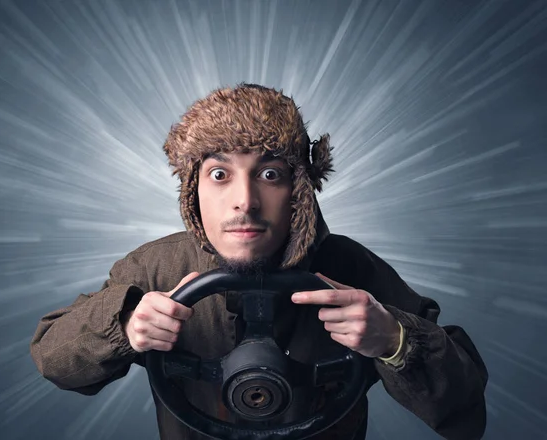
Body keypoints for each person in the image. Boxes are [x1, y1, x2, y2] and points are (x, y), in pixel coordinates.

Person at [30, 83, 488, 440]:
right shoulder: (156, 268)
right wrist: (126, 327)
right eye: (219, 174)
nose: (245, 201)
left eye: (271, 174)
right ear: (193, 190)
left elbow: (464, 412)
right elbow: (54, 359)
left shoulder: (352, 269)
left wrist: (394, 339)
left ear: (300, 190)